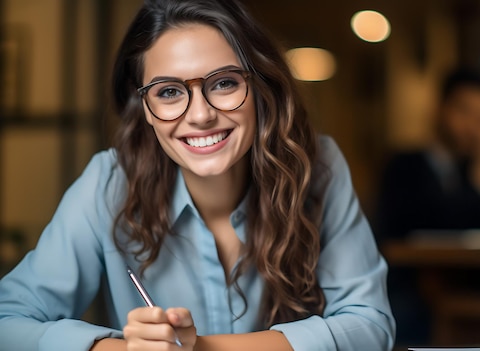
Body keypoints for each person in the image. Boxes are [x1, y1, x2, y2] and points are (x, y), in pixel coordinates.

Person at [0, 1, 395, 350]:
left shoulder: (318, 165)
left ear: (261, 88)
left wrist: (200, 348)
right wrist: (124, 350)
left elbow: (369, 325)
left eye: (224, 83)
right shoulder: (108, 184)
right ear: (145, 109)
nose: (201, 115)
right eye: (168, 92)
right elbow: (8, 322)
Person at [377, 69, 480, 239]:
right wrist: (477, 188)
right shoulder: (404, 166)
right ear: (440, 108)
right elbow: (428, 232)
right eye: (466, 112)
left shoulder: (473, 167)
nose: (474, 126)